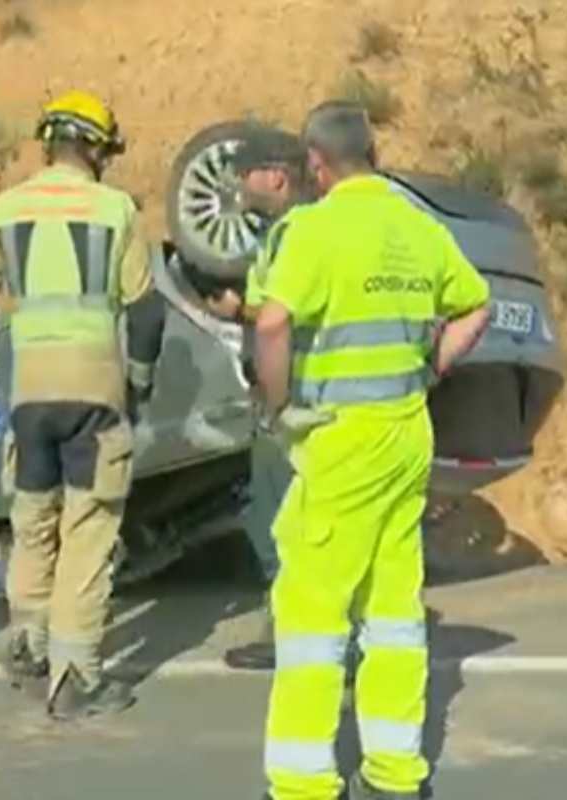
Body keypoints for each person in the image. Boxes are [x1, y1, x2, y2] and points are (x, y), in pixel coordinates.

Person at [254, 100, 492, 800]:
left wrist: (274, 406)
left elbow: (271, 324)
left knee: (310, 616)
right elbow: (473, 307)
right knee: (393, 612)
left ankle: (302, 783)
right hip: (405, 431)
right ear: (374, 153)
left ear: (316, 165)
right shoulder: (418, 228)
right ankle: (394, 773)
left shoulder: (315, 229)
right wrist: (428, 368)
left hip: (339, 438)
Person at [0, 89, 166, 720]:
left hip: (29, 397)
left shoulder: (4, 209)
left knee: (33, 522)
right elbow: (146, 311)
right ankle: (75, 678)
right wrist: (139, 384)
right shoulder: (115, 209)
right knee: (88, 529)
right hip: (95, 393)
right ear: (97, 148)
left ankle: (27, 646)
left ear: (48, 142)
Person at [198, 125, 316, 671]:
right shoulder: (313, 228)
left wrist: (233, 313)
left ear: (276, 174)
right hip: (325, 396)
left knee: (277, 520)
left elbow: (280, 319)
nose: (241, 186)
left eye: (246, 174)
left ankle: (287, 633)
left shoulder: (293, 234)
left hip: (293, 397)